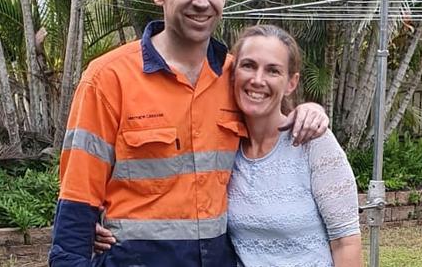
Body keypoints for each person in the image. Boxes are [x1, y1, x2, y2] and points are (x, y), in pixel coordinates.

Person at [49, 0, 328, 267]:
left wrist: (309, 110)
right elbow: (77, 198)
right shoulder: (108, 79)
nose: (201, 0)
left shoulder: (235, 78)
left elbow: (274, 128)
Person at [96, 25, 362, 266]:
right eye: (248, 66)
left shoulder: (312, 141)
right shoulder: (224, 145)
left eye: (273, 70)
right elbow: (174, 189)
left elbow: (345, 242)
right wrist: (102, 220)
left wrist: (314, 110)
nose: (258, 79)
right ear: (231, 75)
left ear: (291, 83)